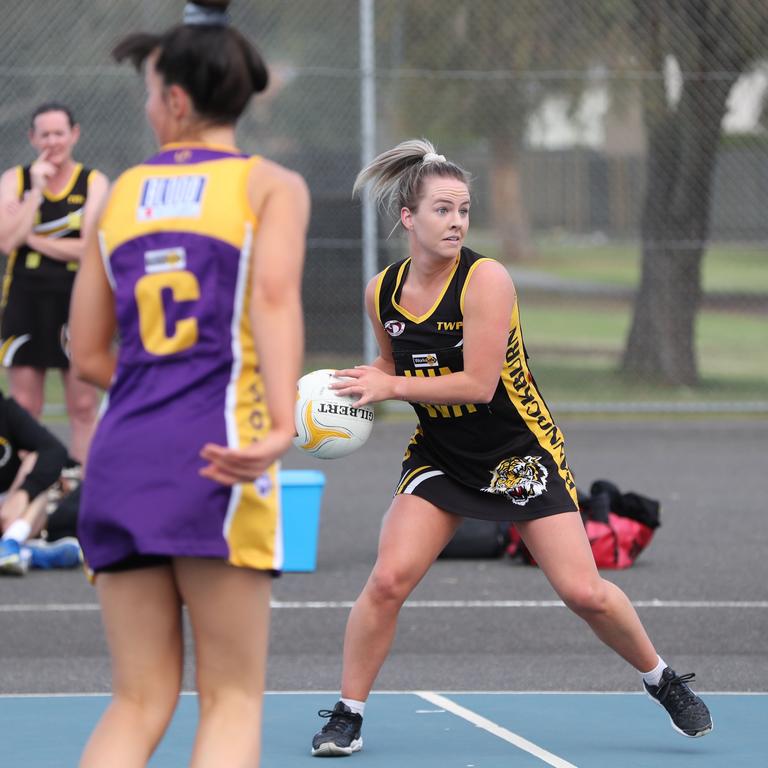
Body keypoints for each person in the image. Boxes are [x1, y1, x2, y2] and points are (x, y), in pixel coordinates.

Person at [310, 139, 712, 757]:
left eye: (464, 210)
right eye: (442, 210)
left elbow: (478, 384)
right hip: (440, 454)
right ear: (408, 218)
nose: (457, 221)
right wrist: (344, 396)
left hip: (518, 453)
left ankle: (660, 678)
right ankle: (348, 713)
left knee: (584, 593)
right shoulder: (381, 291)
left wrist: (390, 384)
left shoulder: (485, 279)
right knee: (388, 580)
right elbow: (392, 365)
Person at [69, 2, 309, 766]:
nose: (147, 106)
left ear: (176, 99)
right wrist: (277, 425)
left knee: (136, 701)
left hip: (120, 459)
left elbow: (87, 356)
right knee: (232, 701)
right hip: (218, 455)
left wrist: (153, 387)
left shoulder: (116, 194)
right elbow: (271, 300)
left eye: (149, 91)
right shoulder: (269, 187)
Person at [0, 103, 108, 464]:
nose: (52, 141)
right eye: (44, 134)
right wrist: (34, 191)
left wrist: (30, 238)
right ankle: (28, 487)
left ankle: (78, 490)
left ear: (74, 134)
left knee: (82, 404)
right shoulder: (15, 180)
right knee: (26, 405)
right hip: (24, 300)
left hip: (77, 302)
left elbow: (88, 246)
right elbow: (4, 241)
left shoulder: (93, 182)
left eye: (59, 133)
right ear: (32, 138)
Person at [0, 390, 82, 574]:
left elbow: (54, 449)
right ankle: (30, 554)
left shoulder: (6, 410)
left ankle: (10, 543)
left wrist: (24, 492)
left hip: (11, 513)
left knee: (37, 462)